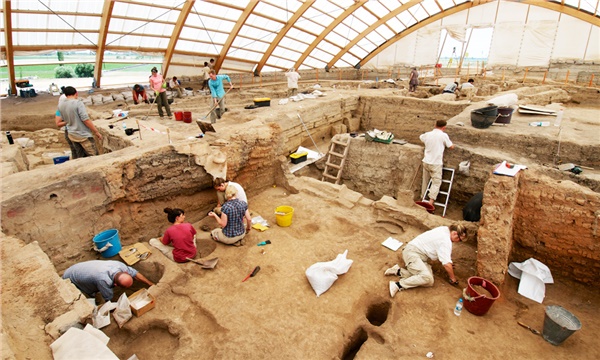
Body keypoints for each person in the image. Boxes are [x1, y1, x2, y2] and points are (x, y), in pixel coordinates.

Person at [385, 224, 467, 297]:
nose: (458, 242)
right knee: (426, 278)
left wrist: (447, 262)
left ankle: (398, 271)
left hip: (417, 254)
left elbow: (439, 251)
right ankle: (397, 285)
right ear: (455, 233)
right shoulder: (445, 241)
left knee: (429, 281)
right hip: (412, 253)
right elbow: (446, 264)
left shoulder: (444, 229)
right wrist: (453, 279)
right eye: (459, 239)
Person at [62, 260, 154, 302]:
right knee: (88, 300)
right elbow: (108, 298)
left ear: (125, 272)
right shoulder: (103, 280)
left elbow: (135, 273)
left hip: (79, 269)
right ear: (114, 284)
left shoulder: (119, 266)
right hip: (70, 280)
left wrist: (150, 284)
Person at [57, 86, 102, 158]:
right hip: (83, 134)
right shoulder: (78, 103)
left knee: (80, 156)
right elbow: (85, 119)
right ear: (76, 93)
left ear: (65, 95)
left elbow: (61, 119)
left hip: (71, 134)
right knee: (94, 156)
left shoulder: (60, 105)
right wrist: (96, 131)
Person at [419, 120, 455, 208]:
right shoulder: (443, 135)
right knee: (436, 182)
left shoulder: (427, 134)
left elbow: (421, 137)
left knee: (425, 181)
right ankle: (430, 203)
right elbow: (450, 146)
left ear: (435, 125)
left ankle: (422, 198)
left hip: (426, 161)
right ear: (444, 127)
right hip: (436, 163)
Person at [54, 91, 78, 158]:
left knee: (78, 150)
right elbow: (58, 123)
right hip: (70, 131)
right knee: (75, 150)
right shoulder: (60, 110)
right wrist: (69, 121)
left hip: (77, 131)